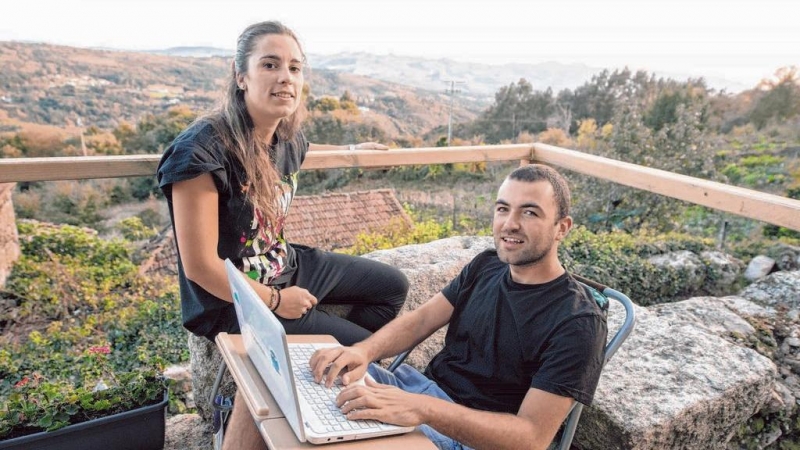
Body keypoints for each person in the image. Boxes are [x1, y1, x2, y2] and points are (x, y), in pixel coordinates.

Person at [156, 21, 408, 450]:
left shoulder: (285, 135)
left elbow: (309, 150)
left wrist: (350, 152)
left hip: (285, 263)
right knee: (362, 348)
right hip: (235, 298)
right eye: (269, 65)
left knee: (392, 287)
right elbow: (199, 267)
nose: (284, 78)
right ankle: (316, 381)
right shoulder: (201, 152)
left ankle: (312, 374)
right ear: (241, 76)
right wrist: (275, 302)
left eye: (294, 68)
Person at [310, 164, 609, 450]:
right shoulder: (487, 265)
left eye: (530, 212)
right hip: (414, 393)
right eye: (503, 209)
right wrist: (363, 351)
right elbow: (421, 319)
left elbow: (531, 438)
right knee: (308, 392)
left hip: (466, 435)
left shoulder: (578, 322)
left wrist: (424, 409)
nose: (510, 224)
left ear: (562, 228)